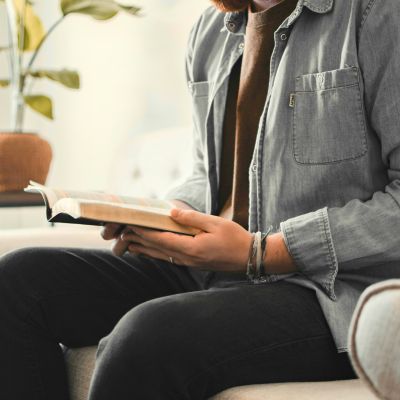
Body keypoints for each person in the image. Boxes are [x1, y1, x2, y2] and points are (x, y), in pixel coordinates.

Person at [1, 0, 399, 398]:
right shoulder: (212, 30)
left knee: (149, 338)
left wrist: (261, 251)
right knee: (17, 283)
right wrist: (167, 216)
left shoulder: (376, 14)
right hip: (216, 270)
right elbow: (206, 174)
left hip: (335, 293)